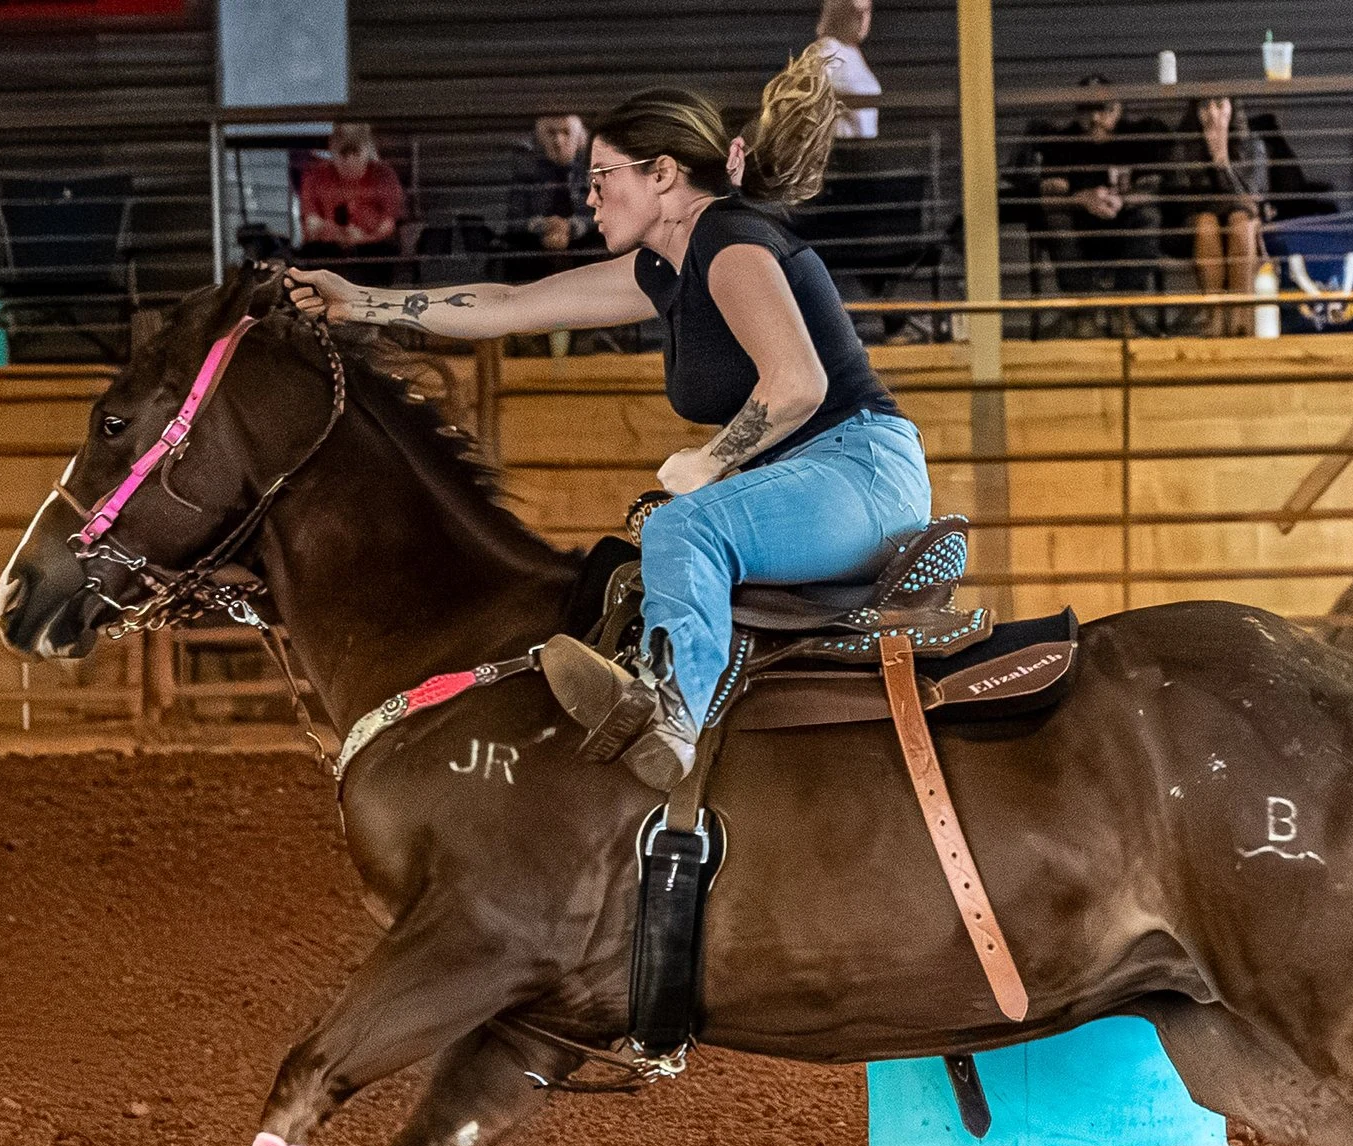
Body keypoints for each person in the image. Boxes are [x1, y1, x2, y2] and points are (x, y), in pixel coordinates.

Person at [284, 45, 926, 785]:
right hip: (819, 479)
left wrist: (708, 462)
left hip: (864, 473)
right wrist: (360, 300)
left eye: (601, 180)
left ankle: (672, 714)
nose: (588, 199)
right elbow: (510, 305)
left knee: (685, 525)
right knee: (658, 546)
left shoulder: (730, 240)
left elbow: (797, 384)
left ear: (661, 175)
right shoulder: (666, 267)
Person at [1032, 77, 1171, 317]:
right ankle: (1083, 315)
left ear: (1117, 109)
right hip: (1081, 230)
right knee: (1056, 221)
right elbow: (1048, 196)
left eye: (1103, 109)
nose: (1095, 118)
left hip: (1124, 226)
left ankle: (1124, 311)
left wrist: (1124, 200)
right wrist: (1082, 199)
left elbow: (1154, 187)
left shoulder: (1136, 136)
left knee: (1149, 217)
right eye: (1086, 110)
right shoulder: (1063, 143)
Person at [1168, 97, 1268, 337]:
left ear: (1233, 108)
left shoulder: (1253, 144)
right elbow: (1186, 202)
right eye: (1204, 106)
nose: (1213, 114)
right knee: (1206, 223)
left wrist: (1222, 161)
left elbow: (1252, 202)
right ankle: (1214, 324)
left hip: (1241, 224)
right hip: (1196, 228)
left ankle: (1240, 326)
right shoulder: (1182, 146)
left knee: (1240, 223)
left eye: (1219, 104)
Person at [297, 124, 407, 286]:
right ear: (332, 150)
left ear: (367, 150)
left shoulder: (385, 176)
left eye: (355, 153)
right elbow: (311, 224)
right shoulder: (314, 176)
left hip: (374, 255)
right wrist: (337, 233)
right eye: (343, 153)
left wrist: (364, 238)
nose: (350, 160)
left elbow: (389, 225)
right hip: (328, 256)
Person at [500, 113, 600, 284]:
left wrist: (572, 226)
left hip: (586, 256)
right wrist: (543, 225)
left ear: (579, 138)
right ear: (540, 139)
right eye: (551, 133)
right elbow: (513, 219)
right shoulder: (526, 171)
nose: (558, 141)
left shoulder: (594, 169)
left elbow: (609, 213)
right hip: (535, 259)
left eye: (566, 133)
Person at [814, 0, 879, 140]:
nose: (863, 19)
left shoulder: (853, 53)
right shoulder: (828, 49)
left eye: (867, 11)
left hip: (863, 146)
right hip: (841, 148)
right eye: (855, 12)